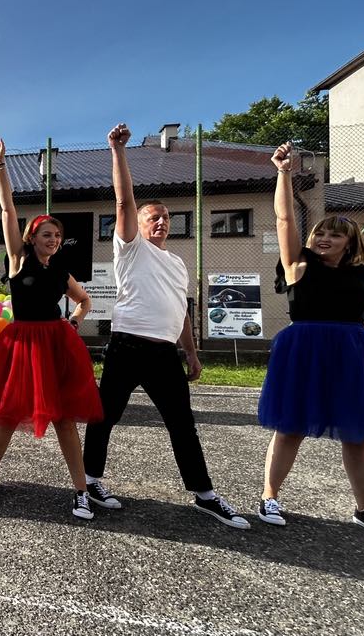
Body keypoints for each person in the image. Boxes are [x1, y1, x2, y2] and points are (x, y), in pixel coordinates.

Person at [82, 124, 249, 529]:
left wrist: (190, 351)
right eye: (153, 217)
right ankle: (89, 481)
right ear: (139, 225)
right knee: (105, 417)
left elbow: (181, 311)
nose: (161, 222)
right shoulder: (130, 249)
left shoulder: (176, 263)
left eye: (166, 218)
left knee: (182, 425)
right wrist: (117, 151)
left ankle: (205, 495)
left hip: (164, 353)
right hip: (126, 347)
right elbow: (124, 201)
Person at [257, 142, 364, 541]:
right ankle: (269, 497)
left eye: (335, 235)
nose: (324, 238)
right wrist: (284, 172)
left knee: (357, 434)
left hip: (352, 354)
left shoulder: (361, 276)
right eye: (320, 233)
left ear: (350, 243)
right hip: (305, 351)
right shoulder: (298, 264)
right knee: (290, 427)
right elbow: (284, 219)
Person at [0, 138, 103, 520]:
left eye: (58, 236)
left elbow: (84, 301)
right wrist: (0, 166)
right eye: (47, 234)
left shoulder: (61, 272)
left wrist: (75, 322)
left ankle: (80, 492)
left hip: (56, 343)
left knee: (64, 419)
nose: (54, 240)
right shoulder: (18, 259)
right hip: (22, 343)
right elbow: (7, 209)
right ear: (32, 237)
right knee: (8, 415)